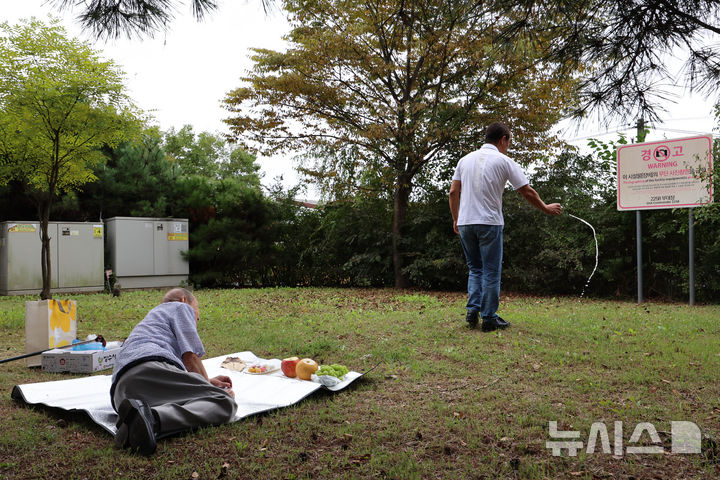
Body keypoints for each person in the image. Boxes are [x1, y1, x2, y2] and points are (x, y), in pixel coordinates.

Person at [449, 122, 562, 331]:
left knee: (475, 269)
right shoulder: (504, 161)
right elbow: (526, 191)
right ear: (503, 139)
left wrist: (456, 218)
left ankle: (472, 312)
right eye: (508, 142)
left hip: (465, 223)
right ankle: (489, 318)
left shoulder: (464, 160)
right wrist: (545, 207)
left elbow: (453, 191)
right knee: (491, 271)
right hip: (489, 223)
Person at [110, 288, 237, 455]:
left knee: (186, 399)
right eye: (197, 311)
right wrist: (208, 387)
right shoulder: (181, 308)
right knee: (224, 401)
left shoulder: (152, 318)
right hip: (150, 368)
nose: (197, 318)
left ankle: (137, 417)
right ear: (185, 300)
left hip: (122, 391)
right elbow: (190, 357)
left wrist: (204, 381)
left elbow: (180, 371)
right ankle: (152, 419)